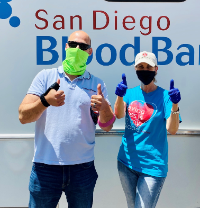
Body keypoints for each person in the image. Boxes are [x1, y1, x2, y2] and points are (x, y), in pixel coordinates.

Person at [18, 30, 115, 208]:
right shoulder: (45, 77)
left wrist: (105, 107)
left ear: (90, 52)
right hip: (45, 167)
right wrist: (44, 101)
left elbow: (107, 125)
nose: (77, 49)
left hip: (82, 168)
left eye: (83, 46)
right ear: (66, 47)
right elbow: (23, 116)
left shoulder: (97, 83)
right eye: (73, 45)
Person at [114, 51, 182, 208]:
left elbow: (172, 129)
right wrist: (119, 96)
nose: (144, 70)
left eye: (148, 67)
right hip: (126, 163)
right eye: (140, 66)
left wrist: (175, 104)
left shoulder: (166, 96)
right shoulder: (129, 93)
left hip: (153, 166)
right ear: (135, 69)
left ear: (156, 69)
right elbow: (118, 115)